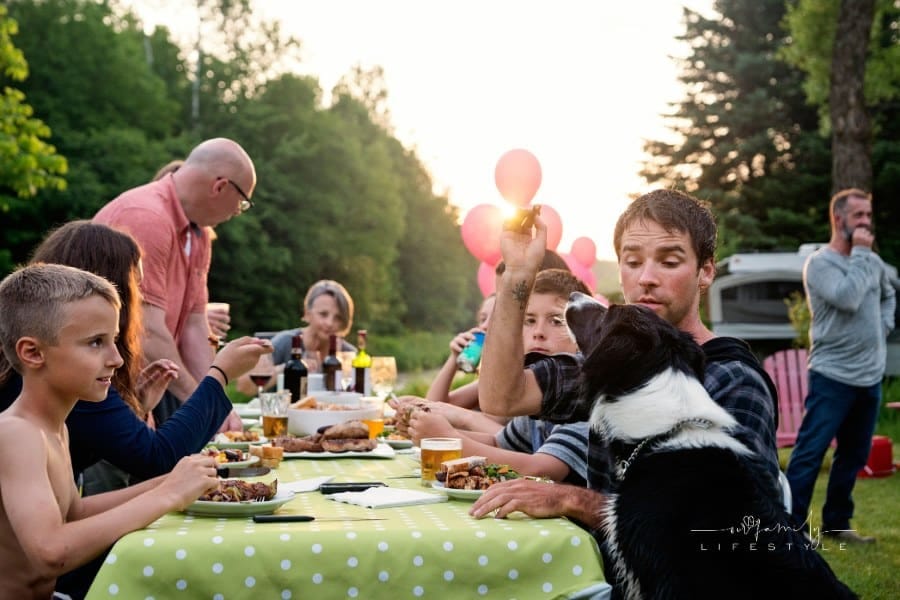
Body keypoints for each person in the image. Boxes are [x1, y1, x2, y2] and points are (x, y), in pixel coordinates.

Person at [470, 189, 779, 528]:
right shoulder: (612, 363)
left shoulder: (733, 378)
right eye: (632, 262)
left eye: (669, 261)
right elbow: (501, 396)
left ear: (705, 272)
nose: (646, 277)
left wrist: (574, 499)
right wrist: (516, 274)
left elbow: (736, 519)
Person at [0, 263, 220, 598]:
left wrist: (171, 480)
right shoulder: (17, 434)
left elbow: (75, 513)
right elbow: (50, 553)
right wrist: (167, 495)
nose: (116, 358)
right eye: (95, 343)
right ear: (32, 353)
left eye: (113, 340)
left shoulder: (52, 428)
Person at [95, 138, 255, 427]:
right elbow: (149, 330)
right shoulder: (147, 217)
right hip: (103, 393)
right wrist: (203, 405)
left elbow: (195, 326)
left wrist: (215, 400)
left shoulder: (199, 233)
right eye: (242, 202)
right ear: (220, 187)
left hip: (145, 391)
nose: (237, 212)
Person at [409, 269, 591, 485]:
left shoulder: (585, 388)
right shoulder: (535, 386)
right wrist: (430, 431)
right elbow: (498, 443)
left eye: (557, 321)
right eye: (529, 320)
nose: (538, 332)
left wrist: (451, 441)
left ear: (584, 331)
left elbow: (543, 470)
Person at [785, 188, 895, 544]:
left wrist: (883, 324)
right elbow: (847, 298)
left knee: (854, 453)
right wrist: (862, 252)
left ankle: (836, 521)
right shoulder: (820, 263)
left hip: (870, 375)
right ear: (838, 218)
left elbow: (890, 292)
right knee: (811, 451)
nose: (866, 222)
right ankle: (792, 527)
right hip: (832, 374)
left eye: (868, 215)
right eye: (858, 215)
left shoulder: (873, 263)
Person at [236, 279, 355, 396]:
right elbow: (243, 386)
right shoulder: (286, 342)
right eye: (323, 314)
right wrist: (287, 368)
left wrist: (338, 362)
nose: (330, 323)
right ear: (307, 314)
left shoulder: (348, 353)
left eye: (338, 318)